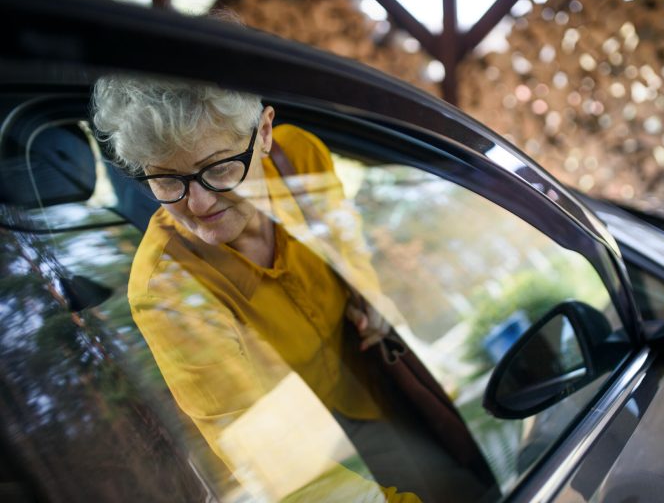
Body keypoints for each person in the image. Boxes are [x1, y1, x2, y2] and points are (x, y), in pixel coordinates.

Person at [92, 76, 496, 503]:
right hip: (313, 456)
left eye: (218, 169)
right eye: (168, 181)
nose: (198, 204)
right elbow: (270, 462)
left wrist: (369, 296)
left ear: (264, 133)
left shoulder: (300, 157)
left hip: (382, 389)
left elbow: (345, 240)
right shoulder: (164, 290)